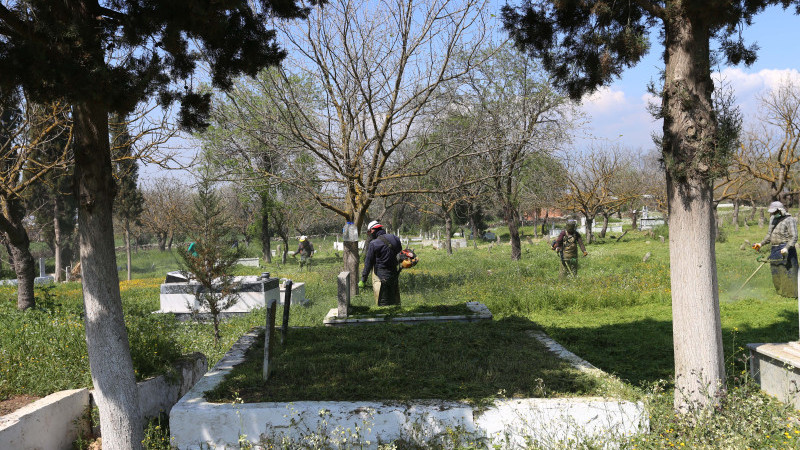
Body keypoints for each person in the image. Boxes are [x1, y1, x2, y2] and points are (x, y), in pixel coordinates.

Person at [753, 201, 798, 297]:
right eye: (772, 212)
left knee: (788, 271)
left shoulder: (790, 220)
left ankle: (791, 295)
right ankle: (780, 293)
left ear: (780, 210)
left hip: (785, 248)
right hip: (774, 248)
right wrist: (760, 244)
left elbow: (794, 237)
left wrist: (786, 248)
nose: (773, 214)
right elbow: (769, 235)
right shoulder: (772, 218)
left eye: (774, 212)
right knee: (776, 272)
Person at [358, 221, 402, 306]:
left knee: (382, 304)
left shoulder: (374, 243)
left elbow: (368, 262)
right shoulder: (395, 238)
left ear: (373, 230)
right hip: (394, 274)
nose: (369, 234)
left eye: (369, 232)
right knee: (395, 304)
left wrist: (363, 279)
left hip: (380, 277)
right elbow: (400, 255)